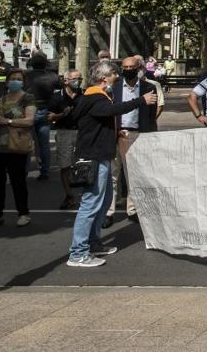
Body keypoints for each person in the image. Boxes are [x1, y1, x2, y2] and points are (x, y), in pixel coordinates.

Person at [67, 60, 157, 268]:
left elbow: (96, 123)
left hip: (101, 154)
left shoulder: (95, 97)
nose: (117, 78)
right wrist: (140, 100)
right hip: (95, 156)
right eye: (114, 75)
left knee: (103, 199)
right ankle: (78, 252)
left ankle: (93, 242)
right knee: (91, 204)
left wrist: (114, 132)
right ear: (104, 77)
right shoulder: (95, 96)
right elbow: (113, 110)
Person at [106, 55, 164, 224]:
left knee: (133, 174)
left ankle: (132, 209)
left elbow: (151, 115)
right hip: (116, 134)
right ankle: (109, 211)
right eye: (125, 67)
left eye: (132, 67)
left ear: (139, 68)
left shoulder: (148, 88)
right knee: (112, 175)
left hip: (137, 135)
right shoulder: (113, 87)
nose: (128, 70)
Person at [0, 70, 35, 229]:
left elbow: (29, 121)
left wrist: (6, 120)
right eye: (12, 79)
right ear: (7, 82)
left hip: (16, 147)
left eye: (19, 79)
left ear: (23, 82)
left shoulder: (27, 98)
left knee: (18, 181)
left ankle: (23, 213)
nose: (15, 81)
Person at [47, 70, 84, 209]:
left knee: (84, 165)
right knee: (65, 166)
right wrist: (62, 115)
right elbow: (49, 117)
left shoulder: (85, 94)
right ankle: (69, 196)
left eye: (80, 78)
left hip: (81, 133)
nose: (78, 81)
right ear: (66, 80)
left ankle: (85, 196)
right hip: (64, 132)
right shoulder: (57, 97)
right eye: (75, 78)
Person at [23, 52, 55, 181]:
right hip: (45, 110)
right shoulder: (52, 76)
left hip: (28, 110)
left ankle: (23, 171)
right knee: (44, 144)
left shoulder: (25, 76)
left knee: (26, 143)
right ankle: (45, 171)